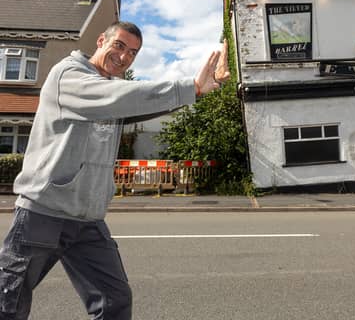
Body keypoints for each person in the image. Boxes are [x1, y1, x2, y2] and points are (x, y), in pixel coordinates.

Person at [0, 21, 229, 320]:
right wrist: (190, 86)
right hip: (44, 213)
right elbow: (117, 99)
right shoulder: (68, 75)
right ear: (100, 41)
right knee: (9, 303)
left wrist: (195, 93)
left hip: (88, 221)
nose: (124, 57)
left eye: (133, 53)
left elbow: (133, 103)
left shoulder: (110, 89)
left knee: (114, 301)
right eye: (119, 46)